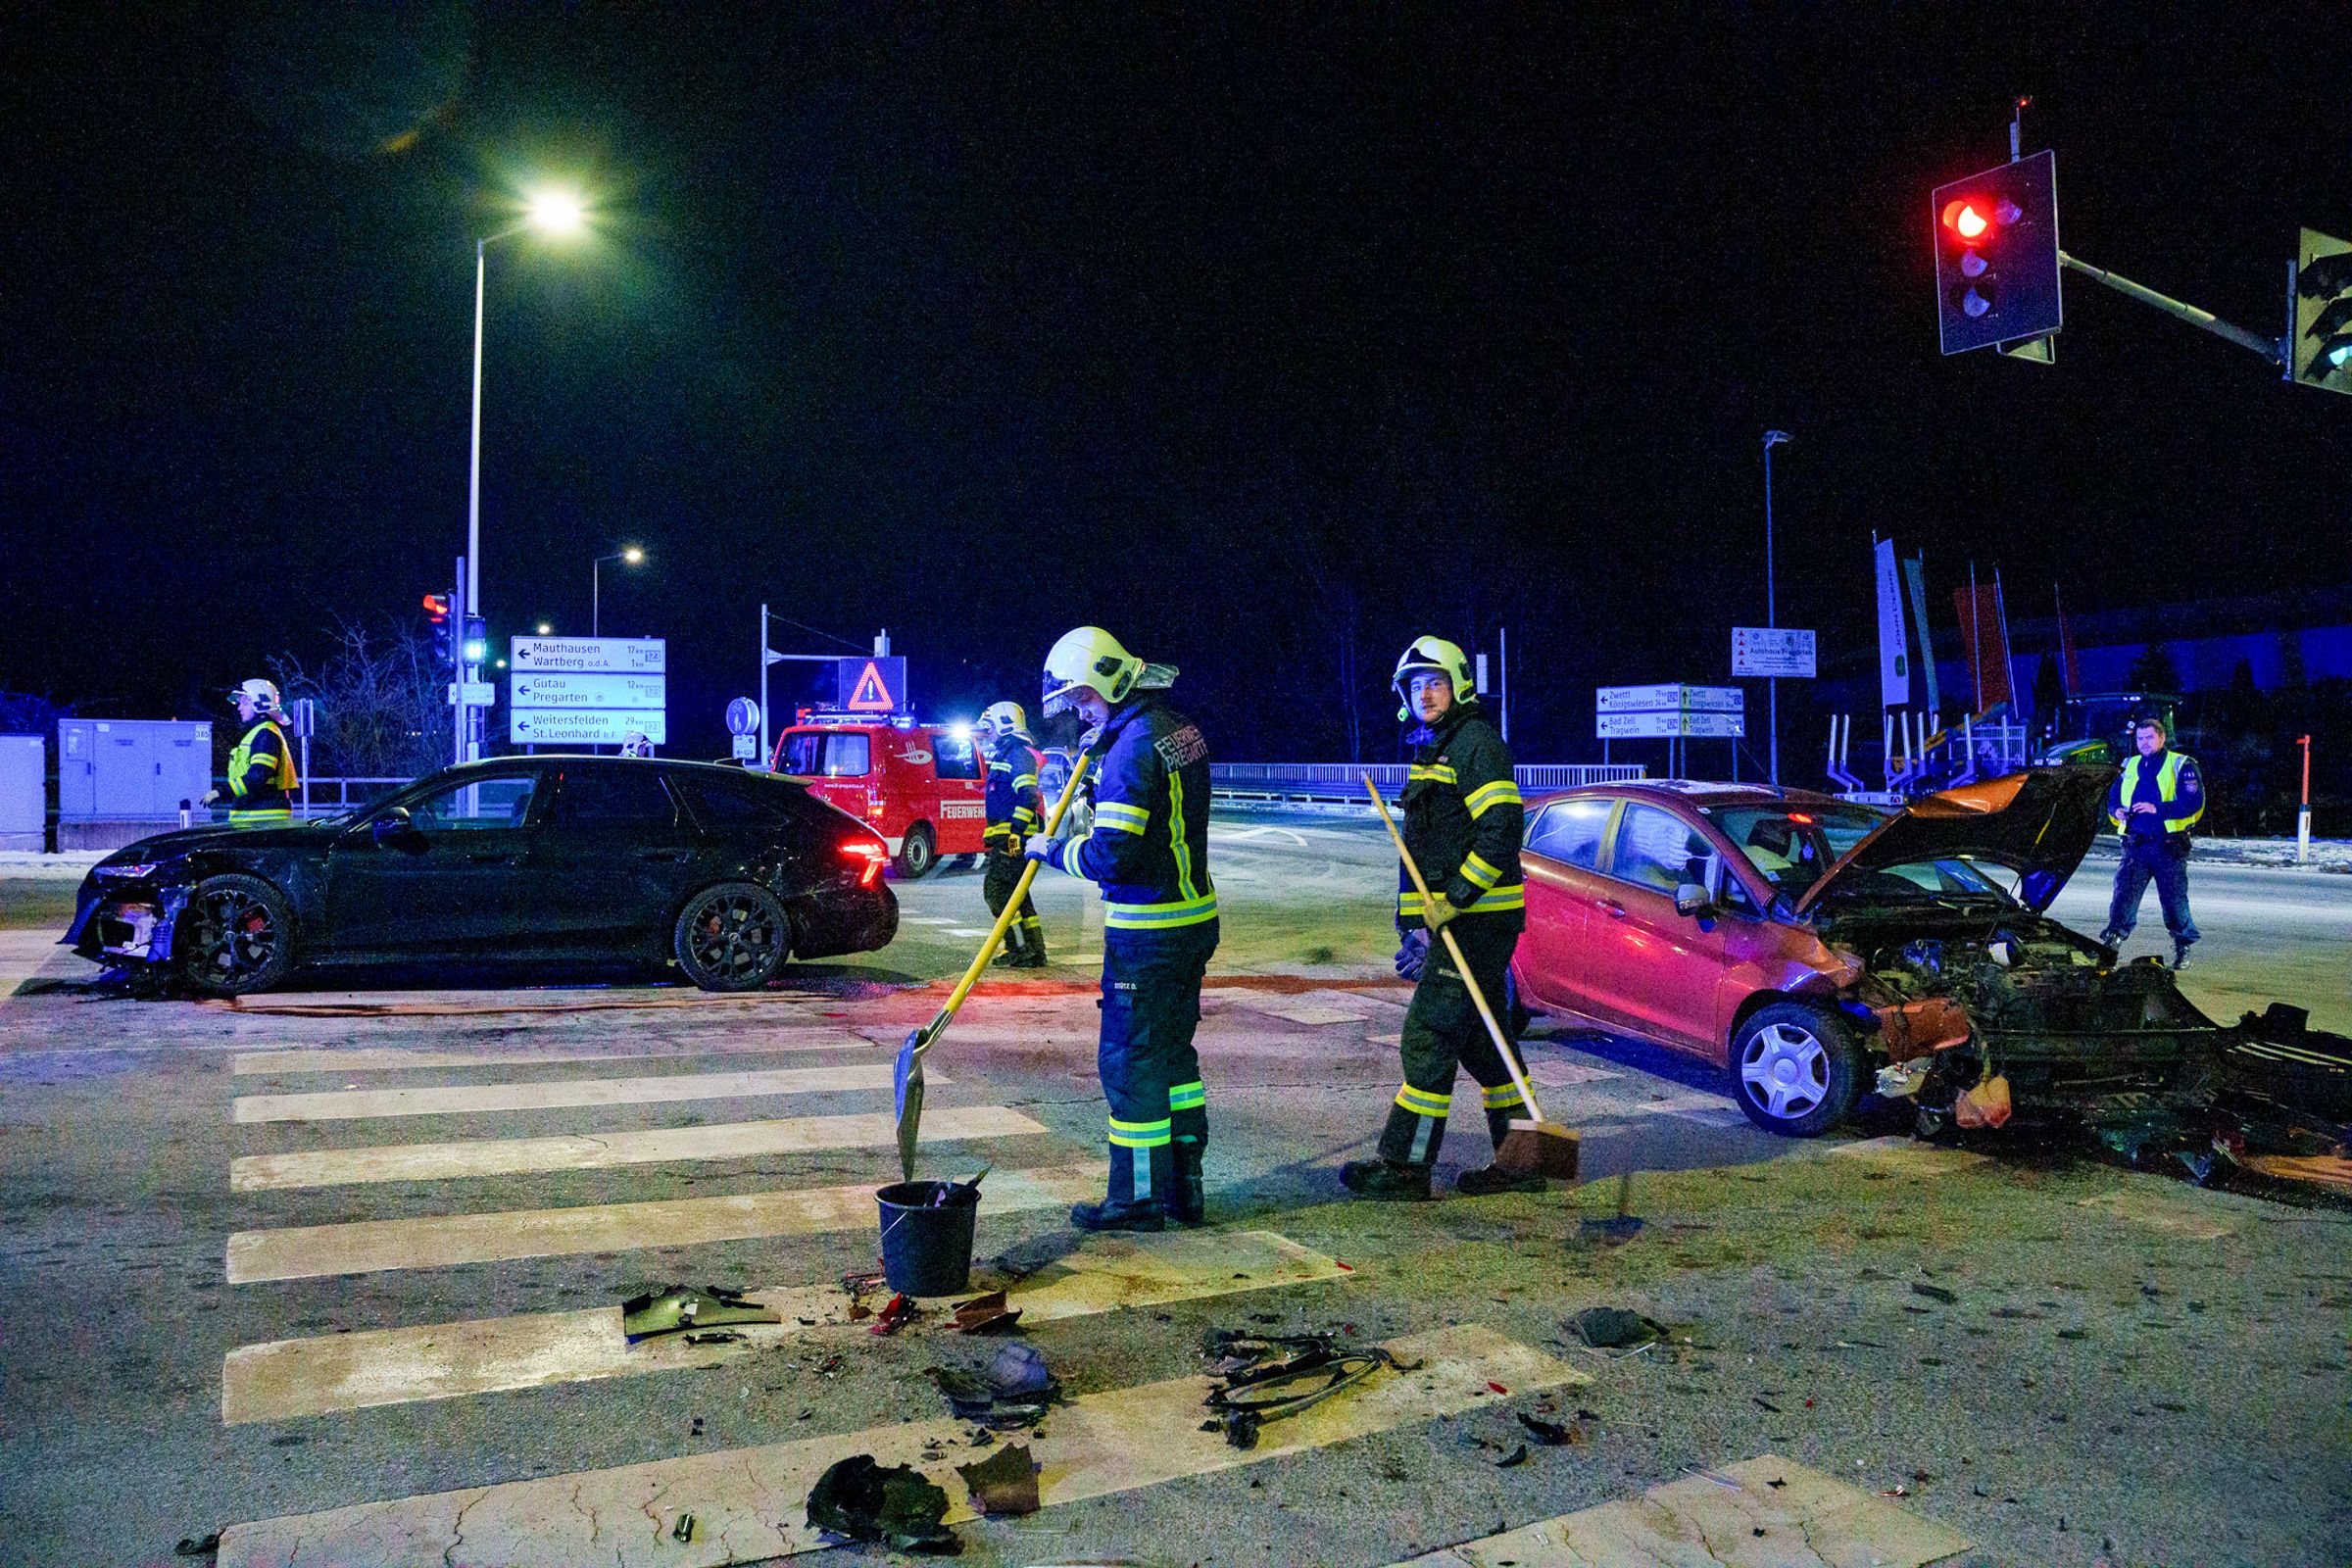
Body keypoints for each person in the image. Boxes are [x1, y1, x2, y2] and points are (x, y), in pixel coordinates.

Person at [1025, 626, 1216, 1230]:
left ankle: (1135, 1199)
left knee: (1129, 1063)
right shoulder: (1177, 731)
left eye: (1083, 700)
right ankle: (1185, 1187)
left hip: (1147, 933)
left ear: (1108, 682)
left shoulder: (1131, 750)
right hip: (1192, 924)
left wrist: (1054, 850)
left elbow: (1112, 857)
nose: (1080, 713)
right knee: (1174, 1059)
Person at [1342, 636, 1539, 1200]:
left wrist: (1452, 902)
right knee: (1484, 1040)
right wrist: (1413, 928)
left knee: (1428, 1034)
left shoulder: (1475, 743)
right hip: (1455, 924)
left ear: (1458, 685)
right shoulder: (1434, 747)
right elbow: (1421, 851)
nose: (1424, 693)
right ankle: (1525, 1159)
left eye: (1434, 682)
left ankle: (1406, 1169)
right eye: (1414, 685)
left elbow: (1502, 832)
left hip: (1477, 922)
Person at [2099, 713, 2203, 968]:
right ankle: (2111, 945)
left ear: (2162, 737)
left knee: (2174, 902)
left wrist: (2159, 809)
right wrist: (2116, 812)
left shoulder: (2182, 764)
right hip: (2136, 846)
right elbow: (2112, 799)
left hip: (2168, 847)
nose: (2144, 743)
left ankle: (2183, 948)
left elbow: (2194, 802)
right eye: (2140, 738)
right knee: (2123, 899)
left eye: (2149, 738)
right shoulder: (2130, 765)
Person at [976, 701, 1049, 968]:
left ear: (1005, 725)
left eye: (991, 727)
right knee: (1018, 895)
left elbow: (1027, 797)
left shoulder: (1017, 754)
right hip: (1008, 837)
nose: (989, 733)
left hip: (1013, 839)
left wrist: (1015, 833)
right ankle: (1033, 950)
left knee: (996, 892)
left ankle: (1018, 948)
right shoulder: (1008, 754)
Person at [204, 679, 298, 826]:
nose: (239, 707)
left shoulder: (266, 734)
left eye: (244, 702)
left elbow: (257, 776)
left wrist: (221, 792)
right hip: (255, 816)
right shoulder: (258, 733)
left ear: (259, 704)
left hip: (263, 818)